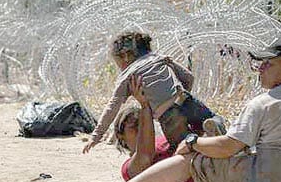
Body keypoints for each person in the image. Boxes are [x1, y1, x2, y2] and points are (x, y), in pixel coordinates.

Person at [88, 38, 281, 182]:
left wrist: (192, 142)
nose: (259, 69)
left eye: (267, 63)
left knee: (192, 159)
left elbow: (228, 147)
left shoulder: (265, 102)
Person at [83, 31, 224, 156]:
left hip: (168, 115)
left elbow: (112, 107)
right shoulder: (159, 58)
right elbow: (188, 78)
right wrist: (180, 95)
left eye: (117, 62)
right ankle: (211, 126)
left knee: (184, 151)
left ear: (125, 56)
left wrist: (96, 136)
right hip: (185, 99)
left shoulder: (128, 76)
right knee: (211, 118)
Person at [113, 75, 201, 182]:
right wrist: (145, 106)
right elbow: (145, 156)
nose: (141, 131)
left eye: (143, 125)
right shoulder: (129, 170)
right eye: (134, 127)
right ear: (120, 135)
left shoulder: (165, 140)